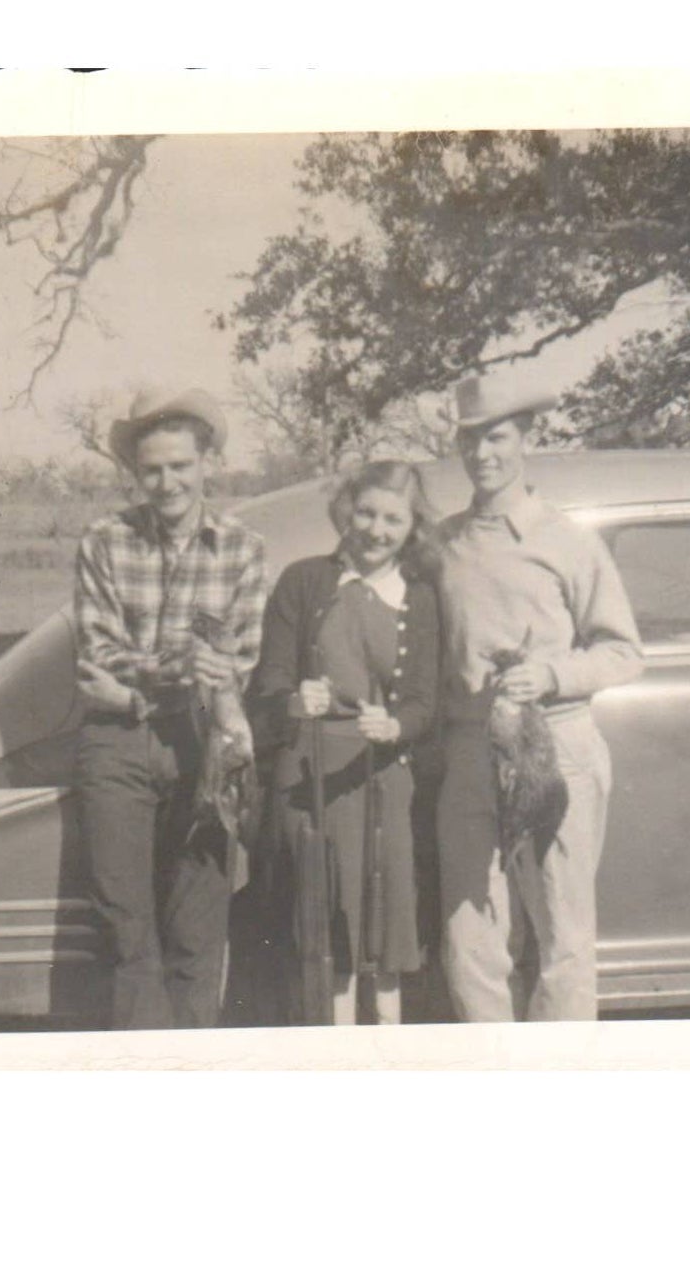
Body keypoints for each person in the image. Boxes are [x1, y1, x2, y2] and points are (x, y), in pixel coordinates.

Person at [435, 373, 642, 1022]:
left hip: (555, 748)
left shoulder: (565, 540)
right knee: (469, 936)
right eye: (469, 440)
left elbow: (622, 651)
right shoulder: (443, 543)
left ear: (525, 437)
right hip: (470, 751)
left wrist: (550, 675)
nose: (482, 454)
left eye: (495, 437)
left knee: (563, 936)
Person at [72, 386, 266, 1031]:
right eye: (152, 469)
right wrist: (180, 666)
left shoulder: (242, 548)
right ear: (135, 472)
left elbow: (240, 663)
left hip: (202, 744)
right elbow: (98, 653)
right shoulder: (104, 541)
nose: (167, 482)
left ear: (206, 461)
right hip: (118, 746)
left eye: (180, 466)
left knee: (196, 927)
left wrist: (146, 678)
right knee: (127, 930)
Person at [249, 460, 441, 1025]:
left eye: (393, 519)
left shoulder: (421, 595)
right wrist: (293, 697)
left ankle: (386, 1047)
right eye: (366, 512)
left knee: (386, 933)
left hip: (383, 775)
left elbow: (424, 704)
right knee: (326, 932)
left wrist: (397, 726)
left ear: (412, 526)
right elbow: (269, 679)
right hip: (313, 779)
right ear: (346, 510)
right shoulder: (304, 580)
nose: (376, 530)